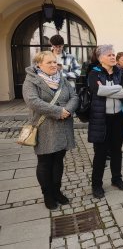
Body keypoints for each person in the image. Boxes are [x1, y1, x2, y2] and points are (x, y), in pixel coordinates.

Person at [22, 51, 79, 209]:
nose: (54, 65)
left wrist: (67, 109)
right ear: (39, 65)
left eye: (55, 62)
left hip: (63, 127)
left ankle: (57, 191)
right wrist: (58, 112)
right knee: (45, 163)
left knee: (58, 160)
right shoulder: (31, 81)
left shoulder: (62, 78)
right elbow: (33, 102)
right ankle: (47, 194)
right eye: (50, 63)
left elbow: (74, 96)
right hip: (44, 128)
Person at [88, 45, 123, 199]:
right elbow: (97, 91)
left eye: (113, 54)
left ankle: (117, 179)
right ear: (101, 58)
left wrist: (110, 90)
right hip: (101, 119)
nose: (113, 57)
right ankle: (96, 185)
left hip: (118, 118)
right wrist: (118, 89)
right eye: (109, 55)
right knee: (100, 154)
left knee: (116, 151)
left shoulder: (120, 73)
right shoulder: (94, 73)